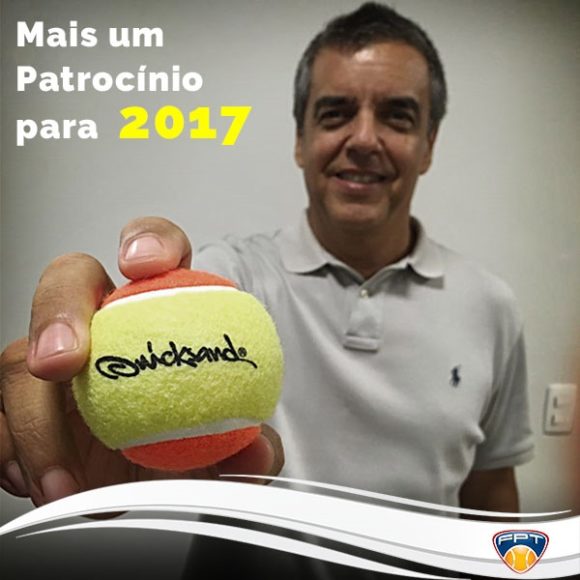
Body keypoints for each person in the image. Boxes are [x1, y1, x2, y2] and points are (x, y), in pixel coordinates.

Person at [0, 2, 534, 576]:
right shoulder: (228, 285)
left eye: (397, 117)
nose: (363, 138)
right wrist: (74, 387)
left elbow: (491, 490)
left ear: (428, 144)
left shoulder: (491, 305)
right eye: (335, 114)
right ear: (301, 140)